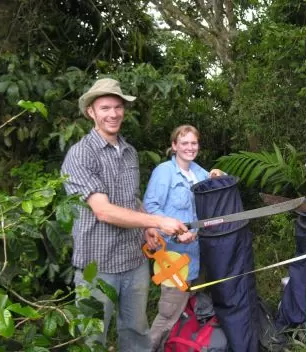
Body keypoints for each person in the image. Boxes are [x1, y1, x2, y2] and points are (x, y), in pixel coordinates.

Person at [61, 78, 188, 352]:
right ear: (91, 112)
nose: (114, 114)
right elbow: (103, 211)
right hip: (98, 265)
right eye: (105, 107)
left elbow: (130, 200)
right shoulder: (80, 154)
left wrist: (146, 228)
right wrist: (157, 220)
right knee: (92, 339)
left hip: (133, 260)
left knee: (137, 332)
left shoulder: (129, 152)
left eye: (118, 107)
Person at [143, 125, 223, 350]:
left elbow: (216, 186)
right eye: (184, 143)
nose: (190, 147)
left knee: (191, 309)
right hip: (173, 258)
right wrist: (177, 231)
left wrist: (218, 173)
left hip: (197, 257)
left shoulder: (198, 172)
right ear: (174, 146)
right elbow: (151, 207)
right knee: (168, 314)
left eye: (194, 143)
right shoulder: (164, 172)